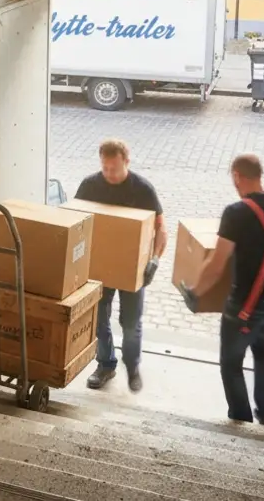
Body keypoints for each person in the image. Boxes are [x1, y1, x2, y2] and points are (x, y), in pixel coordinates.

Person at [185, 154, 264, 425]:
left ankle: (241, 420)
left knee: (231, 362)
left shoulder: (236, 212)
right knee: (262, 348)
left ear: (237, 176)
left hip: (245, 307)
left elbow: (216, 264)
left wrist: (194, 293)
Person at [75, 138, 166, 393]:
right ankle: (106, 365)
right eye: (104, 168)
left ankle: (133, 367)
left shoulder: (143, 190)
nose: (109, 173)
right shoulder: (90, 186)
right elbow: (75, 222)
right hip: (98, 268)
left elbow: (161, 228)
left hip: (133, 270)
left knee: (130, 323)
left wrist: (155, 260)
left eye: (114, 168)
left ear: (127, 161)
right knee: (98, 319)